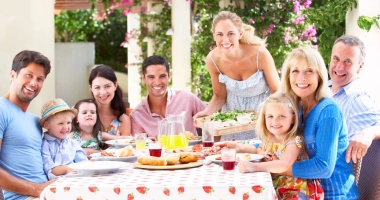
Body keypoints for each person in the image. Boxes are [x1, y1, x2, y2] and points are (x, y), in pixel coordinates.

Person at [278, 47, 359, 199]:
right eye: (295, 71)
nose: (301, 77)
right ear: (288, 76)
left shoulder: (328, 111)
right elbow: (277, 141)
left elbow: (324, 167)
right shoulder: (298, 109)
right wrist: (241, 148)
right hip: (305, 192)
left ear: (320, 77)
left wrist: (277, 168)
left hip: (334, 195)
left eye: (309, 71)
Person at [193, 11, 279, 141]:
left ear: (240, 34)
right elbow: (219, 95)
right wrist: (207, 111)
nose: (225, 40)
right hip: (232, 120)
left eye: (231, 34)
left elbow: (276, 90)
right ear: (214, 36)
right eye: (220, 34)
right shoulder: (212, 60)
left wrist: (270, 117)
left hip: (263, 117)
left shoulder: (260, 54)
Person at [237, 92, 323, 199]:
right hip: (277, 187)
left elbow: (284, 164)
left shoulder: (295, 141)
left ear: (292, 119)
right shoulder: (269, 138)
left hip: (297, 190)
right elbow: (259, 148)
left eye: (281, 116)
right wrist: (261, 153)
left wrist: (254, 167)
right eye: (270, 116)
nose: (275, 121)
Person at [329, 35, 380, 199]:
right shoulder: (323, 87)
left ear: (359, 67)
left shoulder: (357, 98)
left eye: (348, 61)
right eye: (336, 59)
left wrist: (370, 132)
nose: (339, 66)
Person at [0, 50, 55, 199]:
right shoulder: (1, 109)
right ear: (13, 75)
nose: (33, 83)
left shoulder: (35, 121)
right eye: (29, 75)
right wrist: (36, 190)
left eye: (39, 79)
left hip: (47, 193)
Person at [130, 55, 206, 138]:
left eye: (162, 76)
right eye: (151, 77)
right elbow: (140, 148)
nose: (157, 82)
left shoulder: (188, 99)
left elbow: (213, 126)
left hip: (191, 150)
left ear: (169, 76)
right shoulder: (137, 115)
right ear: (144, 78)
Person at [39, 98, 88, 180]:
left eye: (68, 122)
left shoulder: (72, 143)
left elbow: (83, 162)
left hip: (77, 179)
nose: (66, 127)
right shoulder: (45, 145)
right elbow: (49, 169)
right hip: (57, 183)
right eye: (60, 123)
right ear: (46, 125)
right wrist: (66, 169)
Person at [89, 65, 132, 138]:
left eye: (107, 86)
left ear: (115, 85)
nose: (102, 92)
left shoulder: (123, 120)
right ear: (91, 88)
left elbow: (125, 148)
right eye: (97, 87)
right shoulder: (80, 112)